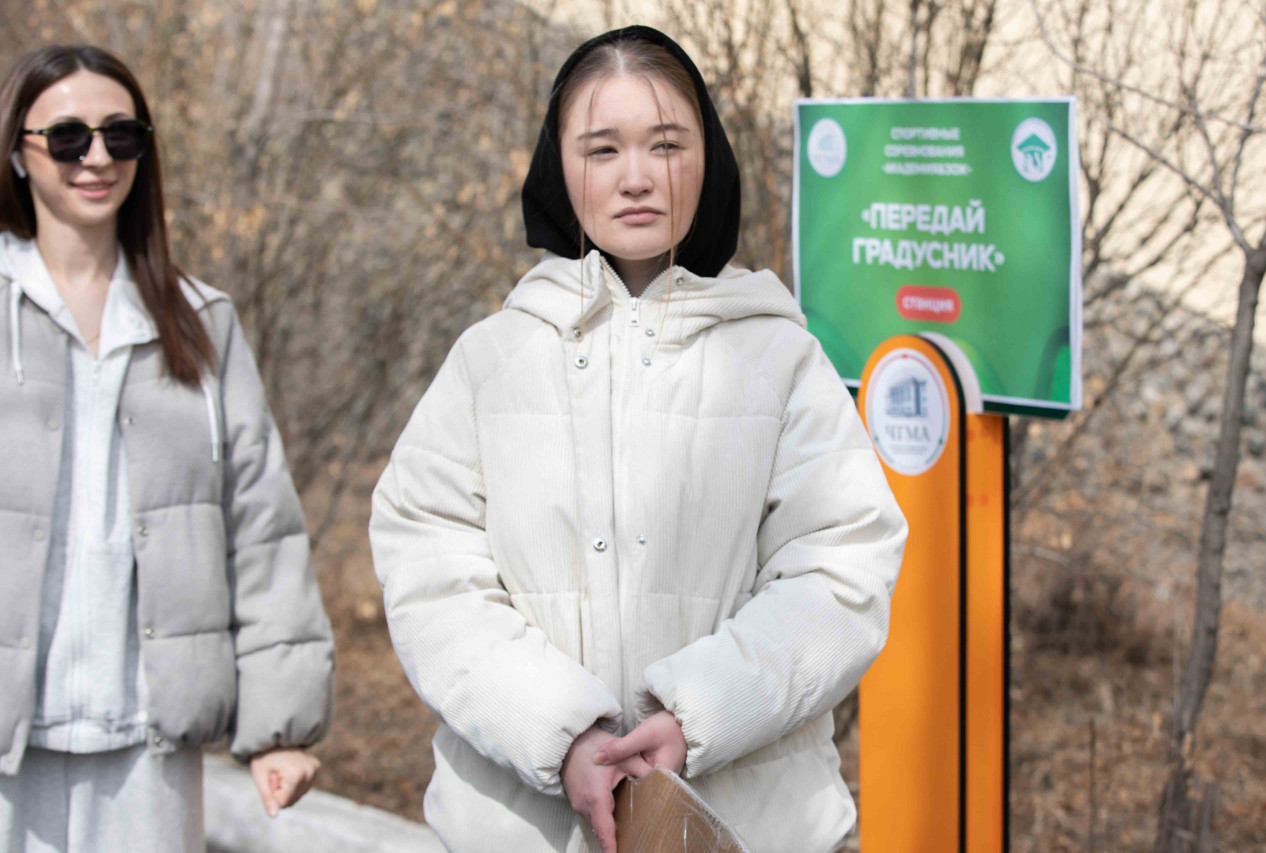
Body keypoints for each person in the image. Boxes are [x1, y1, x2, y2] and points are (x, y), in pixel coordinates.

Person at [370, 25, 906, 853]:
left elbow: (842, 569)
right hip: (519, 830)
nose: (637, 176)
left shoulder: (781, 359)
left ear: (708, 159)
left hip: (750, 825)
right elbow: (429, 571)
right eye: (602, 148)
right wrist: (559, 731)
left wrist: (700, 714)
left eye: (666, 144)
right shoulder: (491, 362)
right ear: (559, 167)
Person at [0, 44, 334, 852]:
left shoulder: (201, 321)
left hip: (148, 750)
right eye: (68, 137)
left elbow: (261, 528)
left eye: (120, 134)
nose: (97, 157)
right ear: (17, 152)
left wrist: (281, 725)